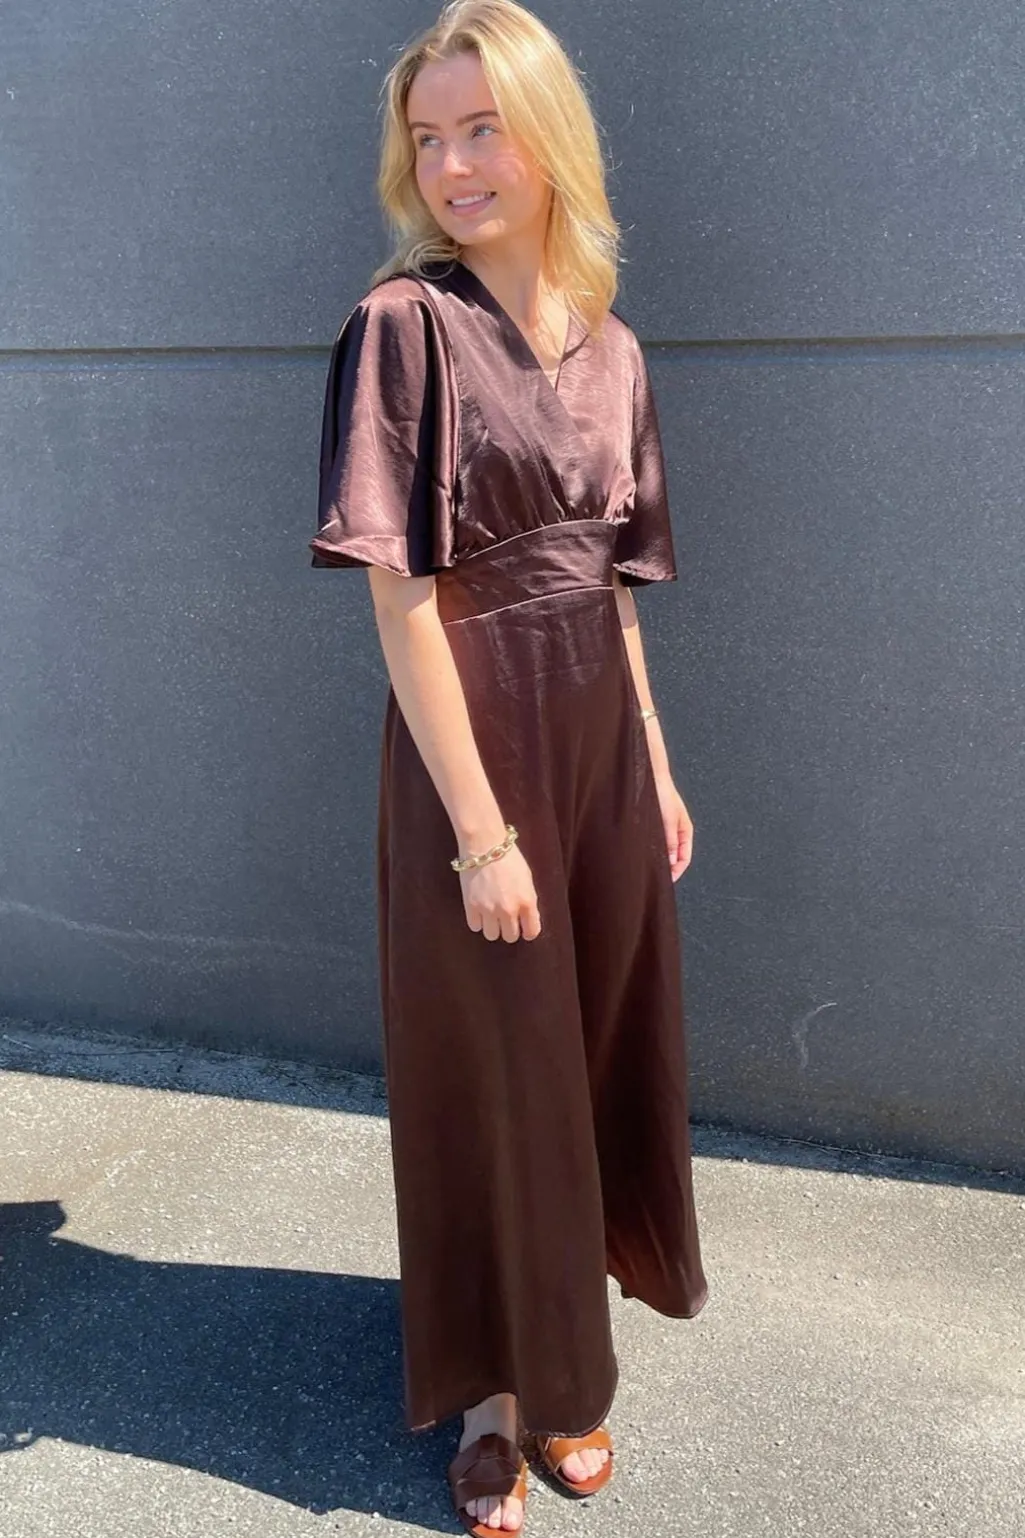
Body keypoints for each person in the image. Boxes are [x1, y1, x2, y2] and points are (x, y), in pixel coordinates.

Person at [310, 1, 709, 1531]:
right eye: (430, 137)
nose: (456, 164)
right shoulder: (404, 328)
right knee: (489, 1067)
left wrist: (653, 764)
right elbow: (400, 600)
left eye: (485, 128)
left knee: (590, 1053)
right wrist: (479, 832)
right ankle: (490, 1389)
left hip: (598, 749)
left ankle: (569, 1360)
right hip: (473, 758)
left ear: (549, 140)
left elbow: (612, 585)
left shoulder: (616, 348)